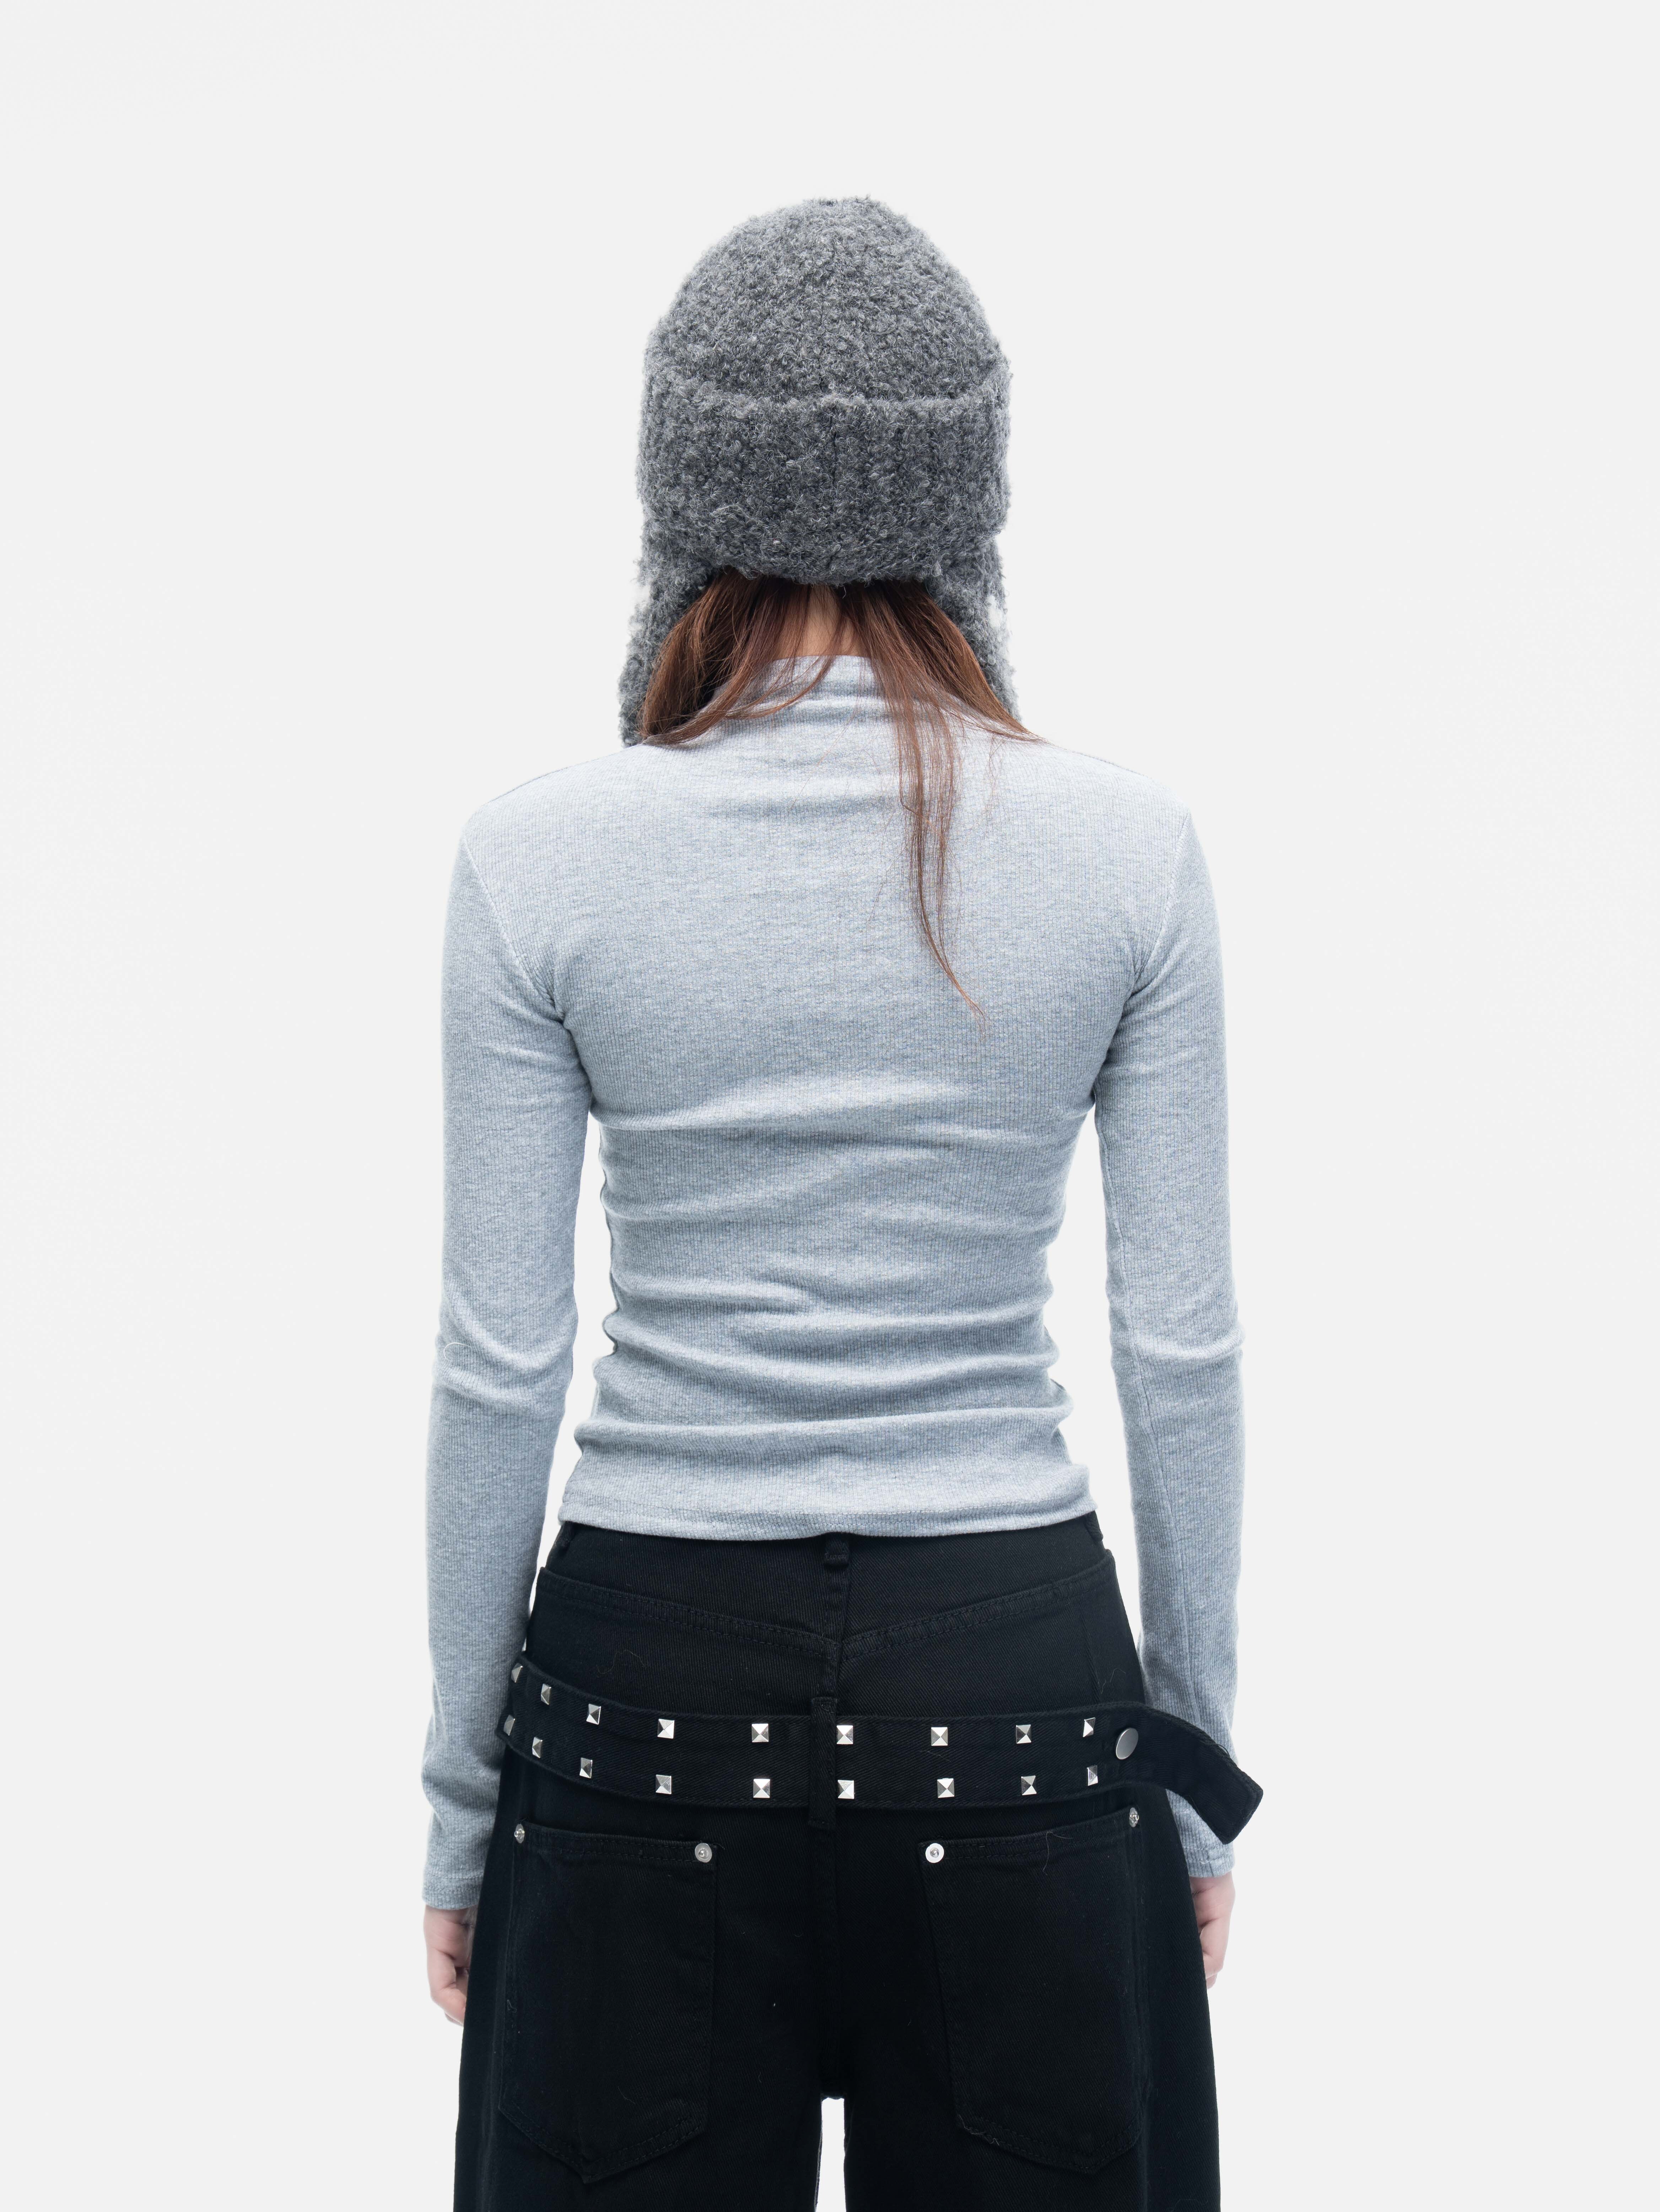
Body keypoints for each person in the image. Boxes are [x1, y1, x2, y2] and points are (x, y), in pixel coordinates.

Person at [420, 197, 1260, 2212]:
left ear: (680, 499)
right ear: (969, 502)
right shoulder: (1130, 857)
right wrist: (1193, 1777)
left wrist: (462, 1806)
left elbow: (498, 1366)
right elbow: (1182, 1352)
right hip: (1021, 1695)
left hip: (638, 1701)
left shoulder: (538, 862)